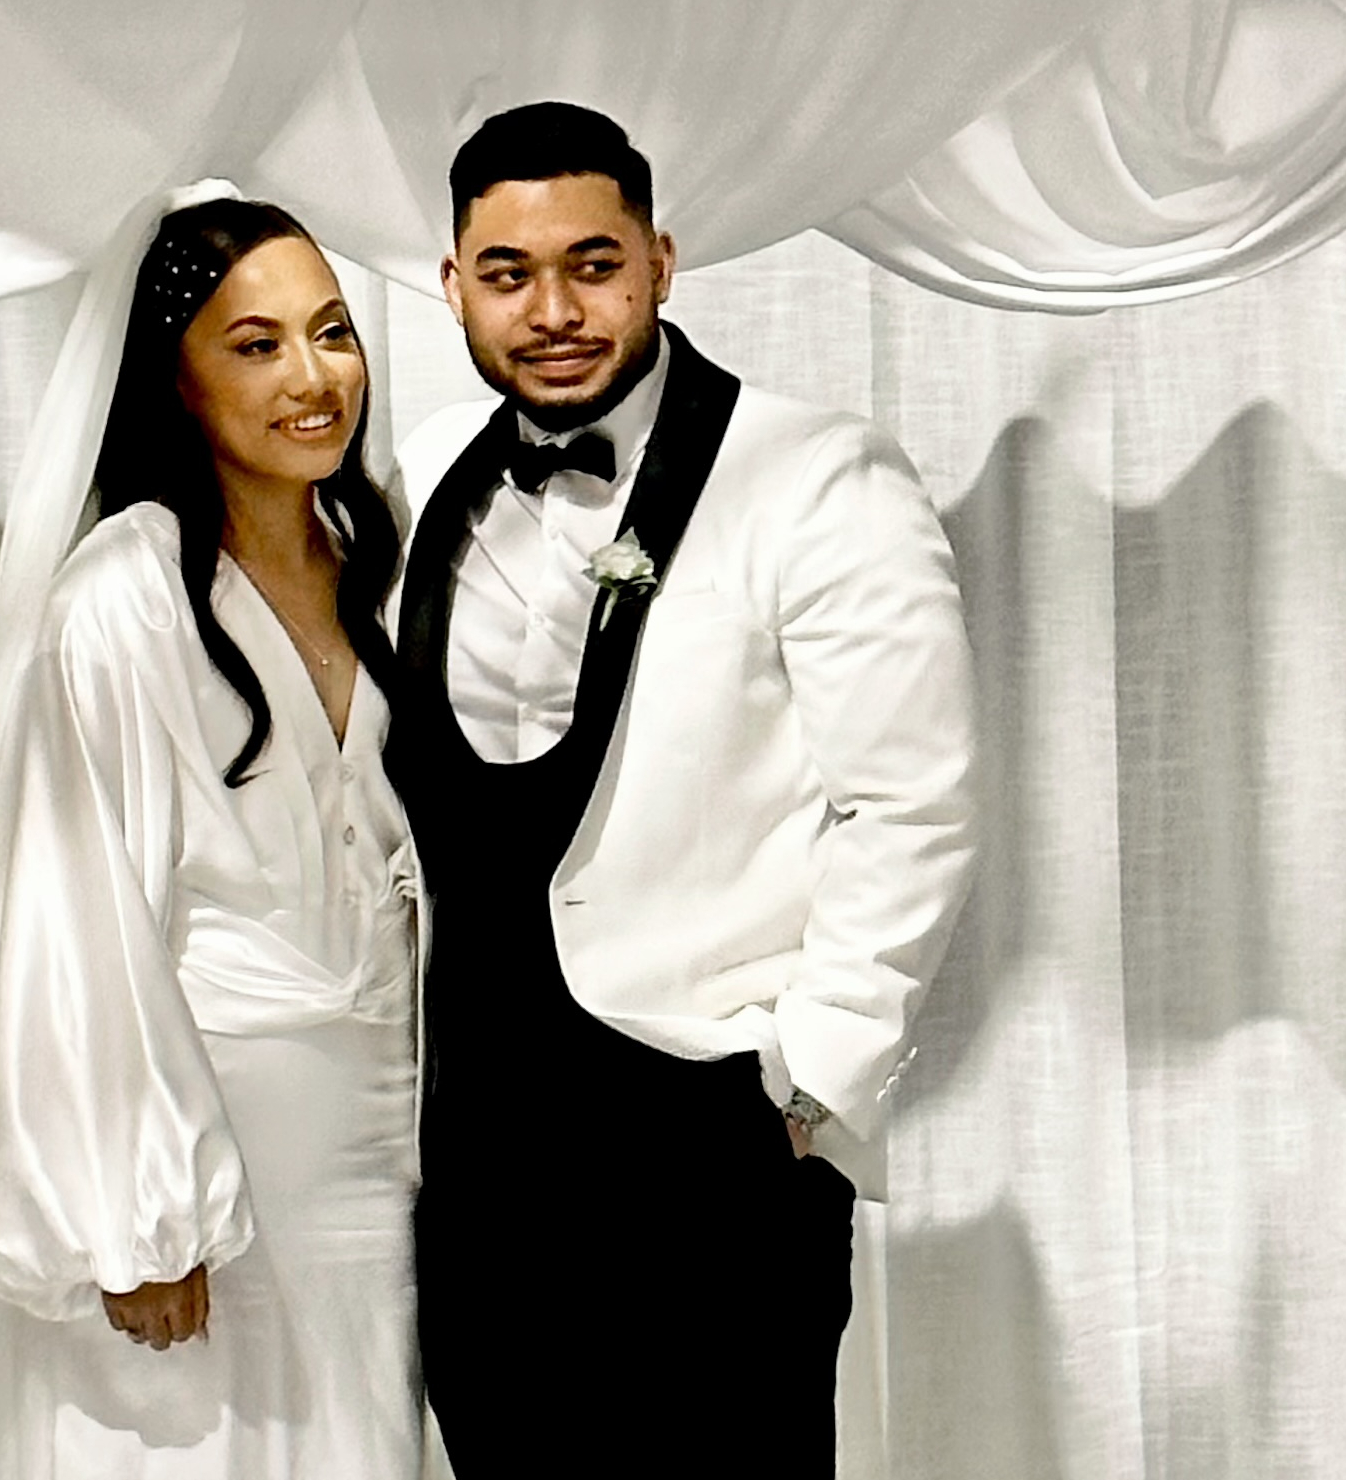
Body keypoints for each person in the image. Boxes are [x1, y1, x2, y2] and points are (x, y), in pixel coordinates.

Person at [386, 102, 979, 1474]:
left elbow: (913, 804)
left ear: (659, 261)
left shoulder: (816, 475)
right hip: (475, 1155)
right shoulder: (417, 479)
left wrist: (809, 1081)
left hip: (710, 1137)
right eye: (508, 273)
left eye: (592, 266)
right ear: (453, 285)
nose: (553, 312)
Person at [0, 195, 422, 1478]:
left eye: (333, 332)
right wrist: (136, 1210)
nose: (314, 377)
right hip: (213, 1156)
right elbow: (74, 913)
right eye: (257, 344)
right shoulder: (124, 598)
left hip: (386, 1147)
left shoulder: (378, 558)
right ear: (175, 375)